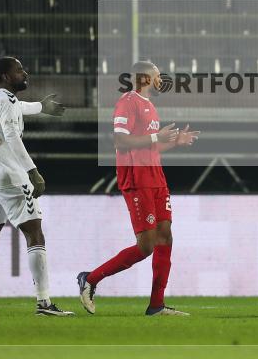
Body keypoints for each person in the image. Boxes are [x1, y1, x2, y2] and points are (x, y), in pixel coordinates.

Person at [77, 60, 198, 316]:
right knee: (146, 246)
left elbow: (150, 145)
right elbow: (120, 141)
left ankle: (156, 305)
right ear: (145, 78)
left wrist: (175, 141)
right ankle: (90, 279)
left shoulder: (150, 105)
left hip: (156, 177)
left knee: (165, 236)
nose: (160, 80)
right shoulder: (128, 102)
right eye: (157, 76)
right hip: (137, 179)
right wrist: (156, 136)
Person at [0, 56, 73, 316]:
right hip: (13, 177)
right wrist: (32, 171)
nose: (25, 73)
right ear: (5, 76)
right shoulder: (7, 101)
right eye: (19, 70)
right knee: (35, 233)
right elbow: (12, 136)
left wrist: (41, 107)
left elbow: (17, 107)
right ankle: (44, 303)